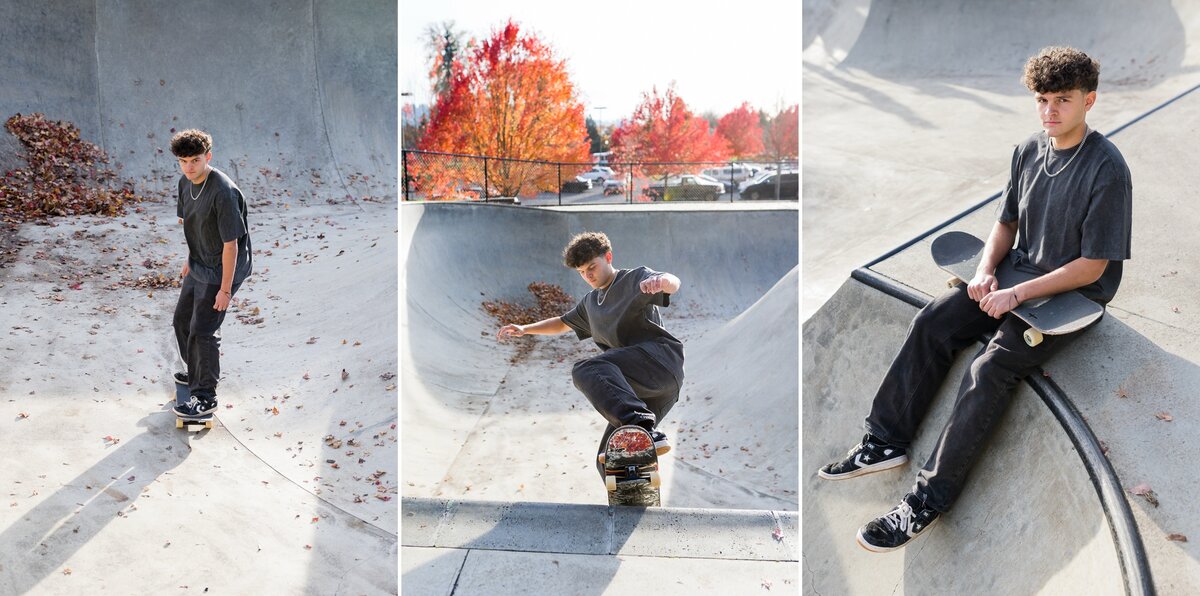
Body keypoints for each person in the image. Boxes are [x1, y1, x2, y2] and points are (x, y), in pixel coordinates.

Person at [818, 46, 1132, 552]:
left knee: (991, 369)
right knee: (934, 320)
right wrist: (985, 273)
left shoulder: (1106, 169)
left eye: (1063, 101)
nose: (1051, 111)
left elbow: (1093, 266)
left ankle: (925, 501)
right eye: (1043, 100)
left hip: (1071, 294)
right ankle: (885, 441)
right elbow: (1006, 221)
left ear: (1089, 101)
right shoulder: (1030, 150)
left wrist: (1016, 293)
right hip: (1015, 270)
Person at [496, 232, 683, 476]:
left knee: (588, 369)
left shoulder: (634, 279)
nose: (588, 276)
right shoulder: (590, 304)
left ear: (608, 257)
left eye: (592, 267)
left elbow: (672, 282)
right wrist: (525, 329)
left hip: (660, 364)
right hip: (643, 393)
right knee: (609, 461)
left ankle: (641, 428)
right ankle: (635, 501)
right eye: (582, 272)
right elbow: (563, 323)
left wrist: (662, 282)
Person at [169, 129, 253, 418]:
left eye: (195, 160)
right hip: (199, 262)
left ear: (208, 157)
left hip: (222, 269)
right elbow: (194, 225)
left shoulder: (223, 192)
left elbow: (231, 245)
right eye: (183, 161)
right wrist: (189, 259)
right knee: (181, 320)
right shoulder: (185, 183)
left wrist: (225, 290)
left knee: (202, 331)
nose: (189, 167)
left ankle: (205, 396)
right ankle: (196, 371)